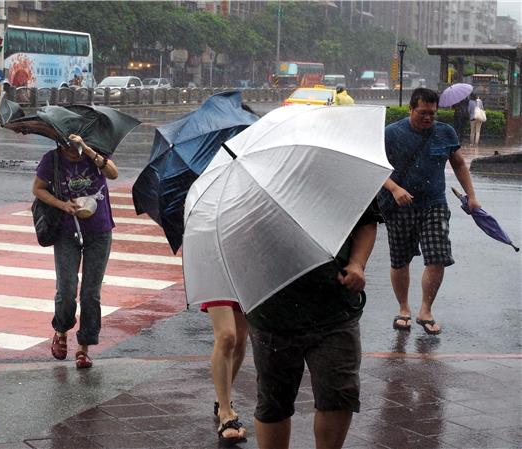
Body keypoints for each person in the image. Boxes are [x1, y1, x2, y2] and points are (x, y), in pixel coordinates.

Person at [245, 200, 383, 449]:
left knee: (339, 395)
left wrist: (357, 263)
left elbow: (366, 219)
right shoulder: (249, 186)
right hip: (272, 311)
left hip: (335, 306)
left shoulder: (338, 169)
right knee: (273, 402)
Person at [378, 88, 481, 335]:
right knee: (400, 259)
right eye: (422, 113)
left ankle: (426, 310)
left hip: (434, 203)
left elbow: (457, 163)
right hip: (399, 205)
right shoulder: (391, 134)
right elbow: (376, 166)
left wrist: (472, 196)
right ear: (411, 109)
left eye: (432, 114)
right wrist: (394, 189)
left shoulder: (445, 132)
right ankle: (403, 308)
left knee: (438, 256)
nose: (427, 118)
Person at [32, 134, 118, 369]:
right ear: (59, 142)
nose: (70, 150)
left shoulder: (94, 153)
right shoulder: (52, 160)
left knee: (91, 293)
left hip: (99, 231)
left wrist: (88, 150)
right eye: (66, 145)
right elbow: (38, 189)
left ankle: (84, 348)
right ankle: (61, 331)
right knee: (67, 288)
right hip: (66, 231)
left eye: (74, 146)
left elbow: (113, 173)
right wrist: (62, 205)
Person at [201, 301, 249, 445]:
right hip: (216, 278)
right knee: (227, 336)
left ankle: (221, 401)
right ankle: (226, 414)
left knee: (240, 339)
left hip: (242, 279)